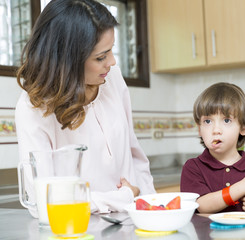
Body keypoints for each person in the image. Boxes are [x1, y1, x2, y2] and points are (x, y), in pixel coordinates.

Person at [15, 0, 155, 216]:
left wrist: (153, 209)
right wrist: (124, 197)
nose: (112, 62)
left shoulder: (113, 78)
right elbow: (43, 200)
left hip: (134, 221)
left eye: (111, 51)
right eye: (101, 57)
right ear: (66, 61)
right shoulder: (33, 108)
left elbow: (135, 155)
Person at [180, 82, 245, 215]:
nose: (216, 130)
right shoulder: (193, 168)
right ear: (199, 129)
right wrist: (241, 188)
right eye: (207, 121)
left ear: (244, 127)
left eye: (226, 120)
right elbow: (201, 205)